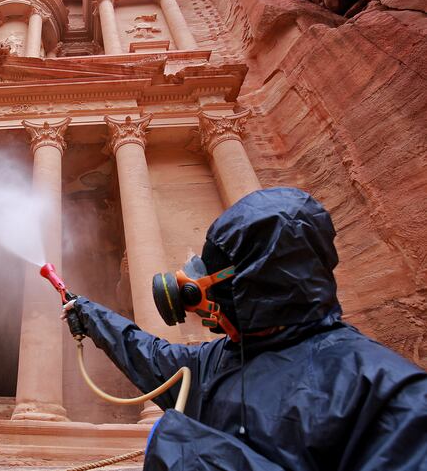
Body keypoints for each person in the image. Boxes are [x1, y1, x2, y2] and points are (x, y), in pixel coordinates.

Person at [63, 187, 427, 471]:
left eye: (210, 277)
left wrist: (192, 456)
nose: (194, 292)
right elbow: (148, 354)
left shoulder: (391, 395)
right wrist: (89, 313)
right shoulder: (221, 358)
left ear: (254, 285)